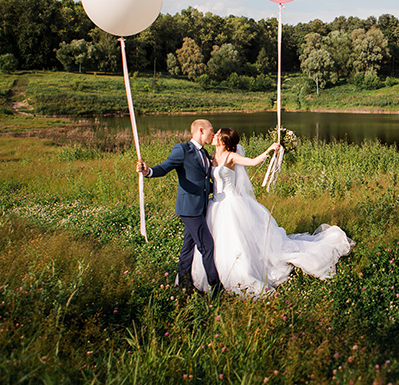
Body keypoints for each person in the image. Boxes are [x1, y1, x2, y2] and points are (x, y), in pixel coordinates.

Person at [189, 127, 354, 296]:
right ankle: (213, 272)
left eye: (217, 134)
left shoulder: (232, 156)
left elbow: (252, 162)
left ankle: (241, 273)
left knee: (235, 239)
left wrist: (269, 150)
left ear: (223, 141)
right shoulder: (211, 156)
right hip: (216, 204)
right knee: (214, 240)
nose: (214, 136)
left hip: (231, 204)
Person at [136, 119, 224, 296]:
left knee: (187, 247)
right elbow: (165, 167)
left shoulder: (205, 153)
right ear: (201, 130)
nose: (213, 134)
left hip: (202, 206)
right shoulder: (182, 150)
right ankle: (216, 289)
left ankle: (184, 285)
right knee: (207, 246)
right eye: (211, 131)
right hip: (189, 208)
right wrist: (148, 171)